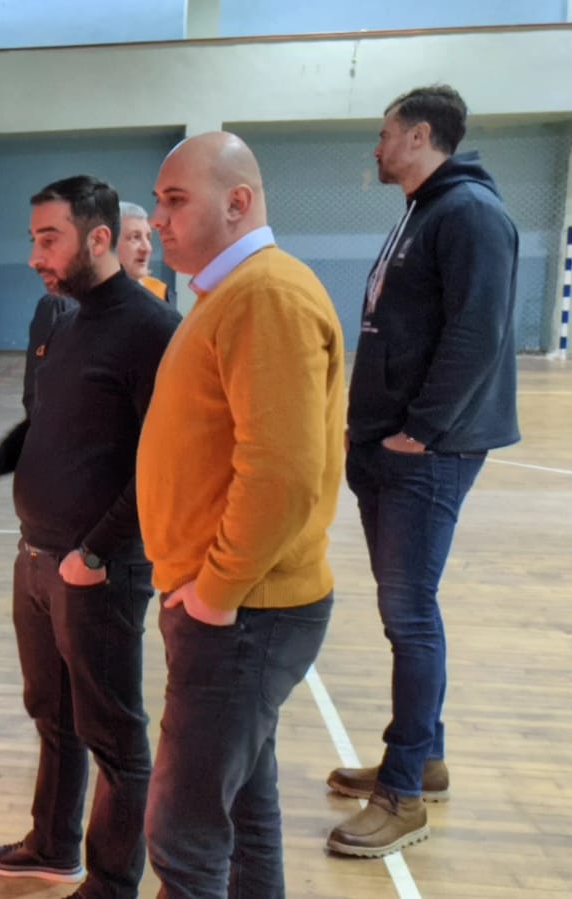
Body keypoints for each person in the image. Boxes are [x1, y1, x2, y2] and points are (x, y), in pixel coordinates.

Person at [135, 132, 345, 897]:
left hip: (242, 609)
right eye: (158, 201)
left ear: (237, 202)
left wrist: (217, 589)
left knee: (182, 832)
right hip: (228, 605)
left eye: (174, 200)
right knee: (242, 812)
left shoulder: (265, 296)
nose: (158, 219)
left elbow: (283, 472)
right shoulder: (232, 293)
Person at [0, 176, 180, 897]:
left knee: (115, 739)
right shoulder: (61, 321)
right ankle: (53, 846)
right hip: (36, 557)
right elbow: (46, 422)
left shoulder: (152, 330)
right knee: (52, 716)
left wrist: (94, 552)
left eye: (48, 239)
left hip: (99, 570)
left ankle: (111, 882)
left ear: (97, 238)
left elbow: (162, 462)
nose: (34, 256)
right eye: (33, 239)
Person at [325, 84, 521, 858]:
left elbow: (478, 332)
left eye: (384, 134)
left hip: (427, 452)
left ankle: (402, 794)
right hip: (387, 444)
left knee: (409, 617)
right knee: (401, 612)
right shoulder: (423, 210)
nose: (376, 147)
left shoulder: (468, 213)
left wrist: (422, 430)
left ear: (418, 136)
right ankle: (422, 756)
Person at [117, 201, 171, 303]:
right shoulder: (87, 299)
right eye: (135, 237)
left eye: (148, 237)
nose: (147, 248)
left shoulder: (159, 293)